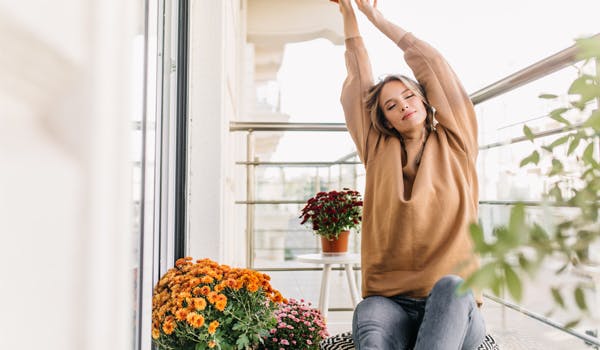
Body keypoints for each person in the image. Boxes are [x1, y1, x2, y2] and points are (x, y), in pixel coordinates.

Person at [337, 0, 486, 349]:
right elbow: (359, 80)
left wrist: (376, 17)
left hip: (455, 309)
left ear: (425, 99)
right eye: (391, 105)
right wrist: (348, 13)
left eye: (409, 97)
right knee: (369, 312)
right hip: (393, 305)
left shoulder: (457, 142)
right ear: (384, 119)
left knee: (452, 285)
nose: (403, 106)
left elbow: (432, 64)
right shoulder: (377, 150)